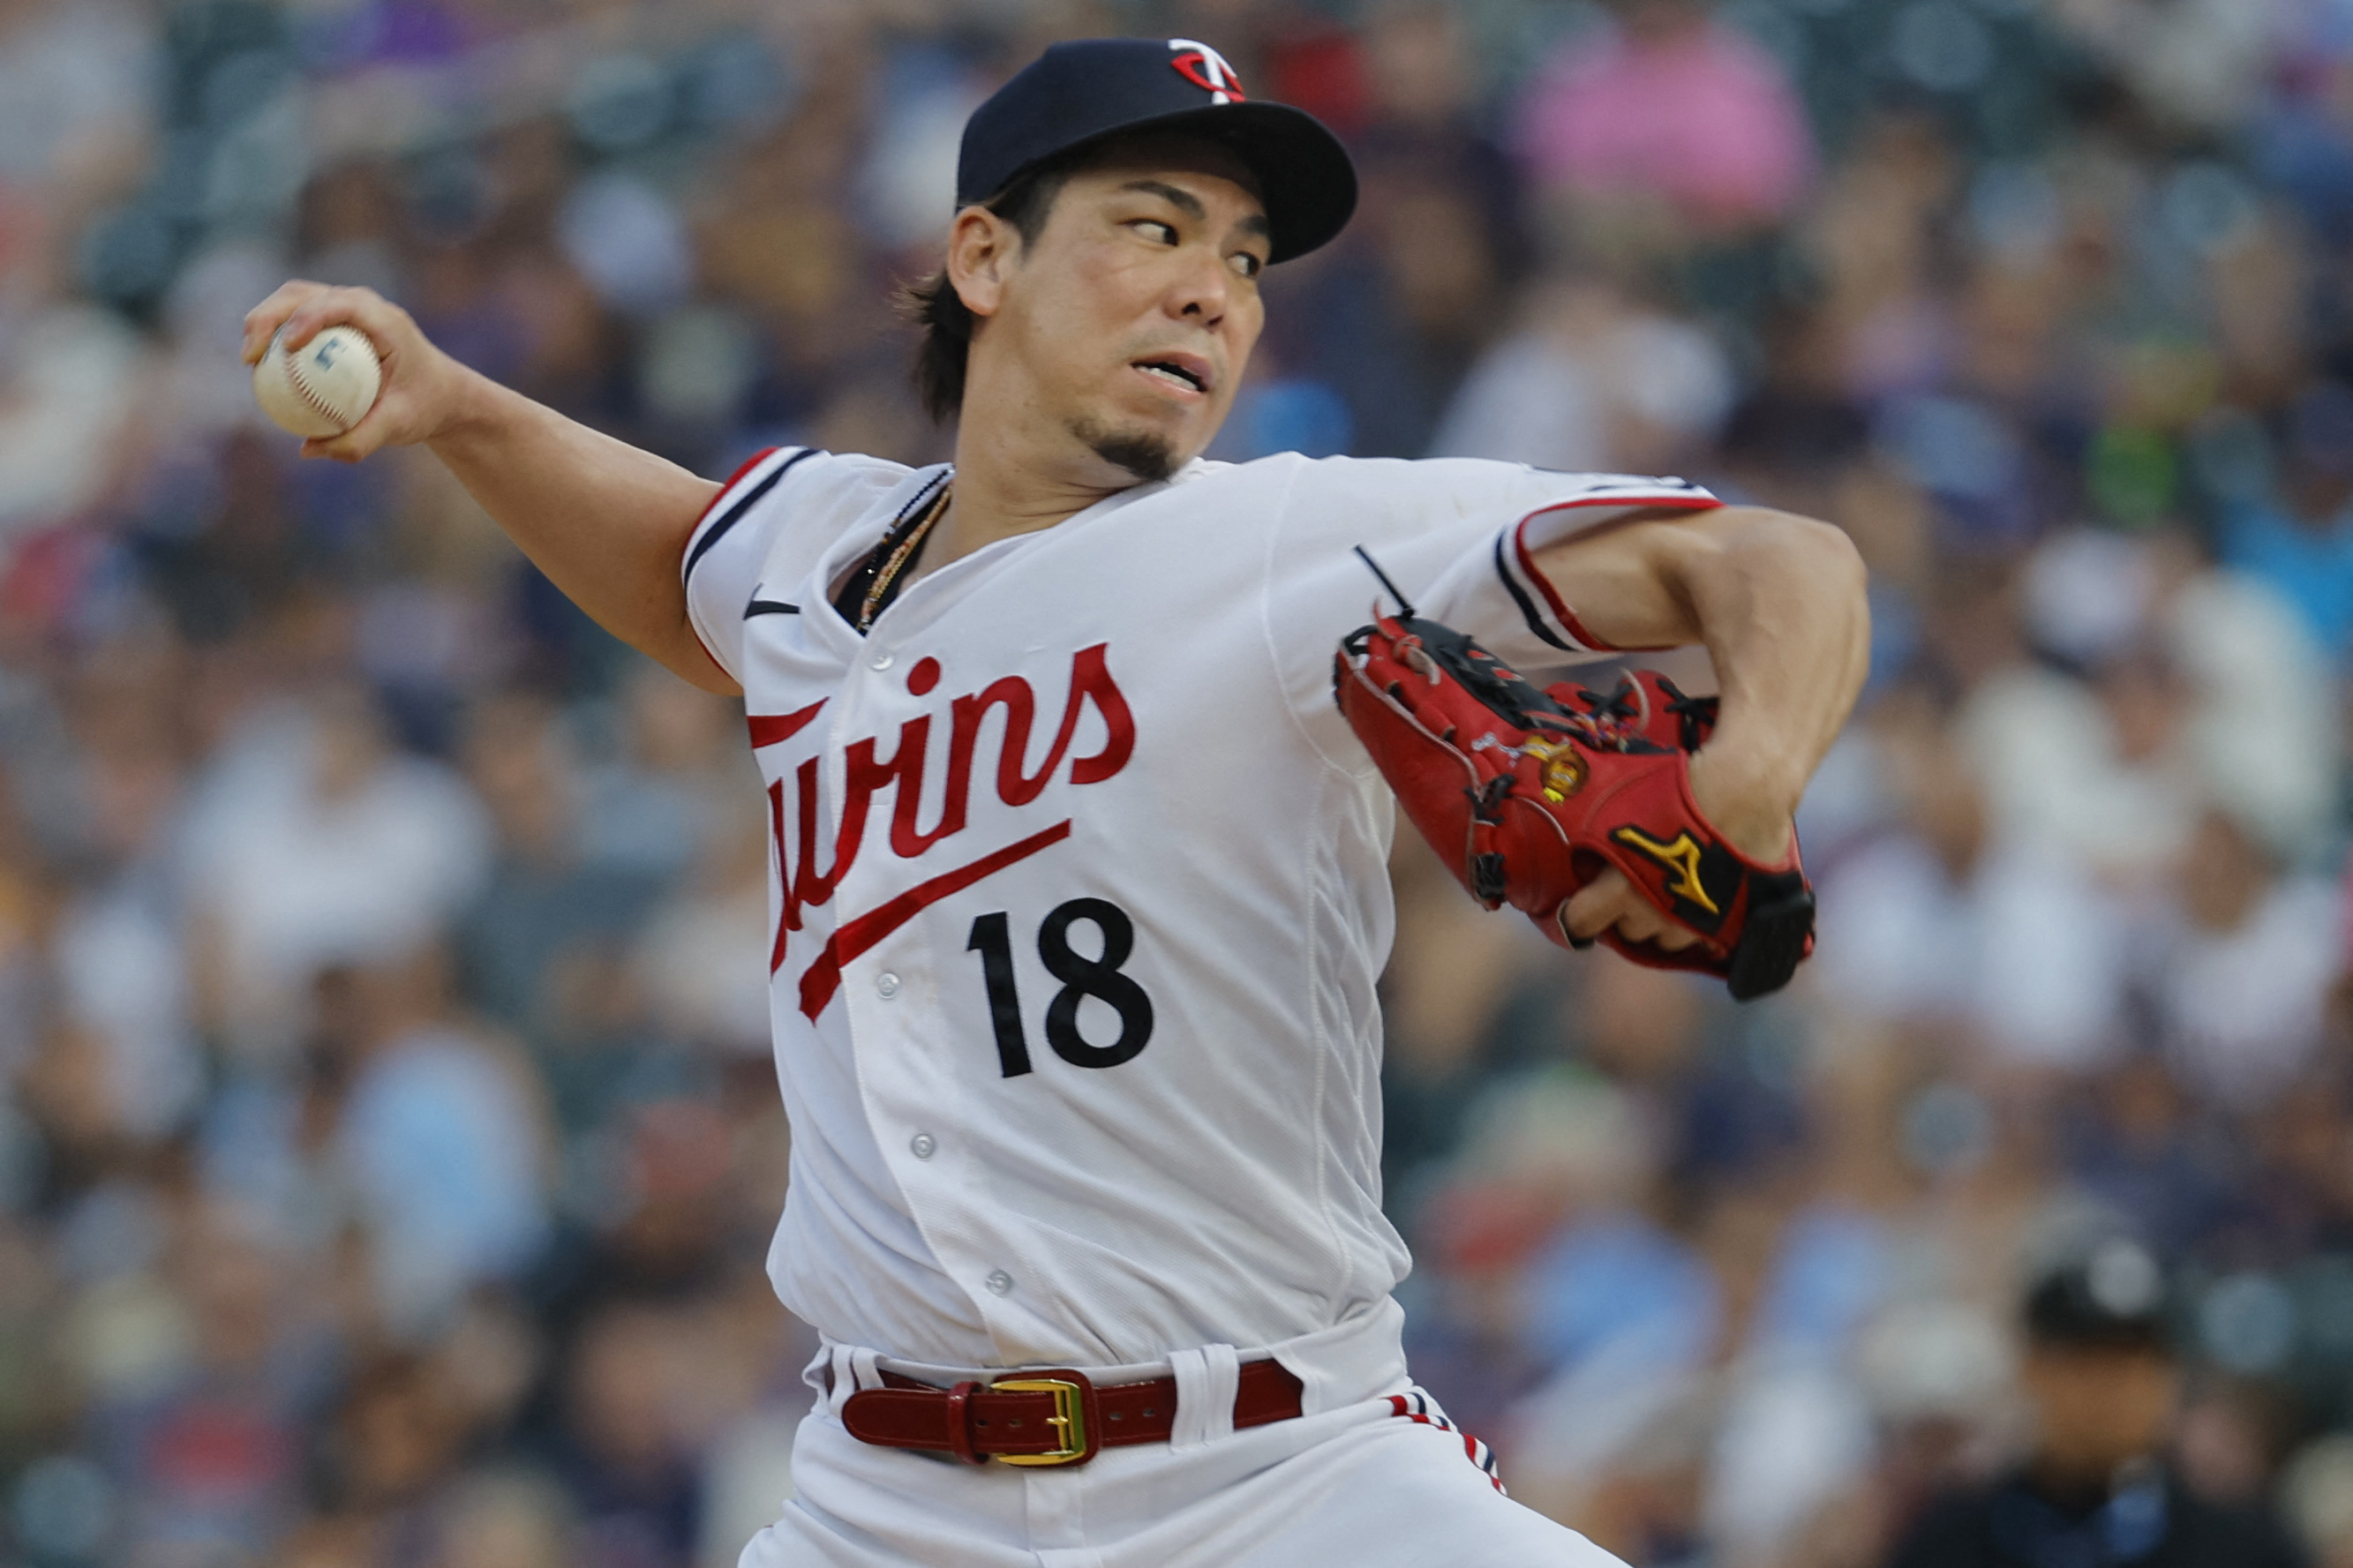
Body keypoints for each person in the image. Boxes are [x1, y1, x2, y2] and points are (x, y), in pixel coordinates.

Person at [241, 36, 1868, 1568]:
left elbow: (1776, 561)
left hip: (1279, 1480)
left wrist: (1745, 774)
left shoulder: (1287, 543)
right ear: (984, 260)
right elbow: (685, 580)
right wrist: (455, 405)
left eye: (1241, 260)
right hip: (883, 1498)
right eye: (1154, 227)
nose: (1209, 291)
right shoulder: (815, 545)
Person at [1886, 1237, 2309, 1568]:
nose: (2113, 1390)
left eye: (2136, 1363)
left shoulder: (2247, 1550)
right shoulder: (1949, 1544)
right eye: (2087, 1361)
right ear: (2031, 1368)